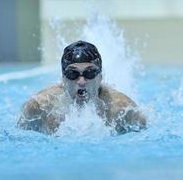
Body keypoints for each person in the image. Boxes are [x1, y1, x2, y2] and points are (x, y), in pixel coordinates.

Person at [17, 40, 146, 135]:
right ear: (63, 78)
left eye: (89, 73)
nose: (82, 81)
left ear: (100, 77)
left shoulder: (122, 108)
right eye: (73, 74)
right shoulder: (40, 106)